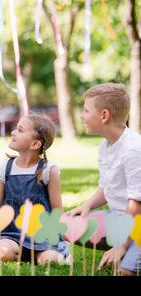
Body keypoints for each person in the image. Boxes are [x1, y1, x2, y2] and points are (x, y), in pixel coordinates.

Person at [68, 83, 141, 276]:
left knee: (124, 271)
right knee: (65, 223)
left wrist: (122, 247)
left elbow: (136, 204)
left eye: (86, 110)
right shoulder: (105, 146)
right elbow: (106, 187)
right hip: (120, 220)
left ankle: (128, 251)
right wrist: (87, 206)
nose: (82, 116)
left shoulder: (133, 149)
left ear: (104, 116)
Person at [0, 112, 69, 265]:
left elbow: (57, 211)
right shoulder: (5, 168)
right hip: (9, 234)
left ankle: (40, 254)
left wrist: (67, 238)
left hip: (42, 236)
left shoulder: (49, 171)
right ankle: (21, 252)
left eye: (20, 130)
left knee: (50, 261)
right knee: (2, 253)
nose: (13, 132)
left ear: (35, 144)